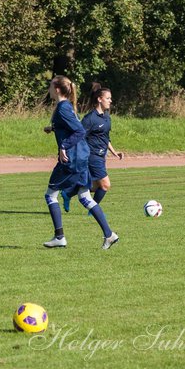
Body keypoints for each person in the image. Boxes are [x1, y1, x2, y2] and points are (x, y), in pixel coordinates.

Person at [41, 76, 117, 249]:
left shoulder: (63, 108)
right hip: (82, 156)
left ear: (57, 89)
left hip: (72, 158)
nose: (49, 88)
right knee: (85, 196)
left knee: (50, 195)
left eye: (51, 85)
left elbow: (79, 130)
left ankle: (59, 236)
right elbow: (71, 126)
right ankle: (109, 234)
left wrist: (64, 147)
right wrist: (53, 129)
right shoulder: (66, 106)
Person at [81, 83, 125, 207]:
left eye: (110, 98)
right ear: (99, 99)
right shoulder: (89, 119)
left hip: (101, 156)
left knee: (95, 186)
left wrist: (114, 152)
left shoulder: (107, 117)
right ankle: (93, 210)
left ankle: (70, 191)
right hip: (92, 156)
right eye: (108, 98)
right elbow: (78, 136)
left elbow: (106, 138)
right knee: (105, 185)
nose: (110, 101)